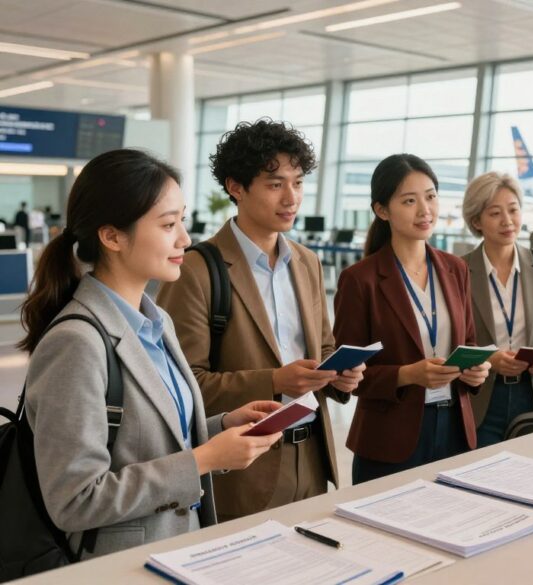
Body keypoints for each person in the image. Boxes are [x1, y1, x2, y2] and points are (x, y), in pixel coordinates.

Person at [19, 149, 281, 558]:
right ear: (112, 236)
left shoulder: (155, 321)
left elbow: (142, 442)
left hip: (178, 553)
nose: (184, 239)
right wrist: (201, 461)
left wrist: (220, 427)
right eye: (168, 224)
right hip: (120, 566)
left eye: (182, 220)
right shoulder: (76, 343)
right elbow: (75, 499)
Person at [156, 119, 364, 521]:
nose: (291, 198)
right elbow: (183, 385)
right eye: (275, 184)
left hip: (314, 458)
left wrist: (340, 375)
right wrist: (273, 380)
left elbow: (322, 349)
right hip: (244, 468)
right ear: (236, 187)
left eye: (298, 183)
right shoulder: (198, 269)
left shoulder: (307, 262)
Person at [333, 154, 491, 484]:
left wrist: (476, 371)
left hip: (455, 432)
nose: (425, 210)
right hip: (390, 438)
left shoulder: (455, 268)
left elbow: (470, 343)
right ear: (381, 210)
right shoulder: (360, 279)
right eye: (409, 201)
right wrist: (408, 375)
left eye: (431, 196)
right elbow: (347, 373)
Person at [461, 172, 533, 446]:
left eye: (513, 210)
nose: (507, 221)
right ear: (476, 220)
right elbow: (454, 343)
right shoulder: (459, 270)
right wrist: (491, 358)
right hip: (483, 400)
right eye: (495, 213)